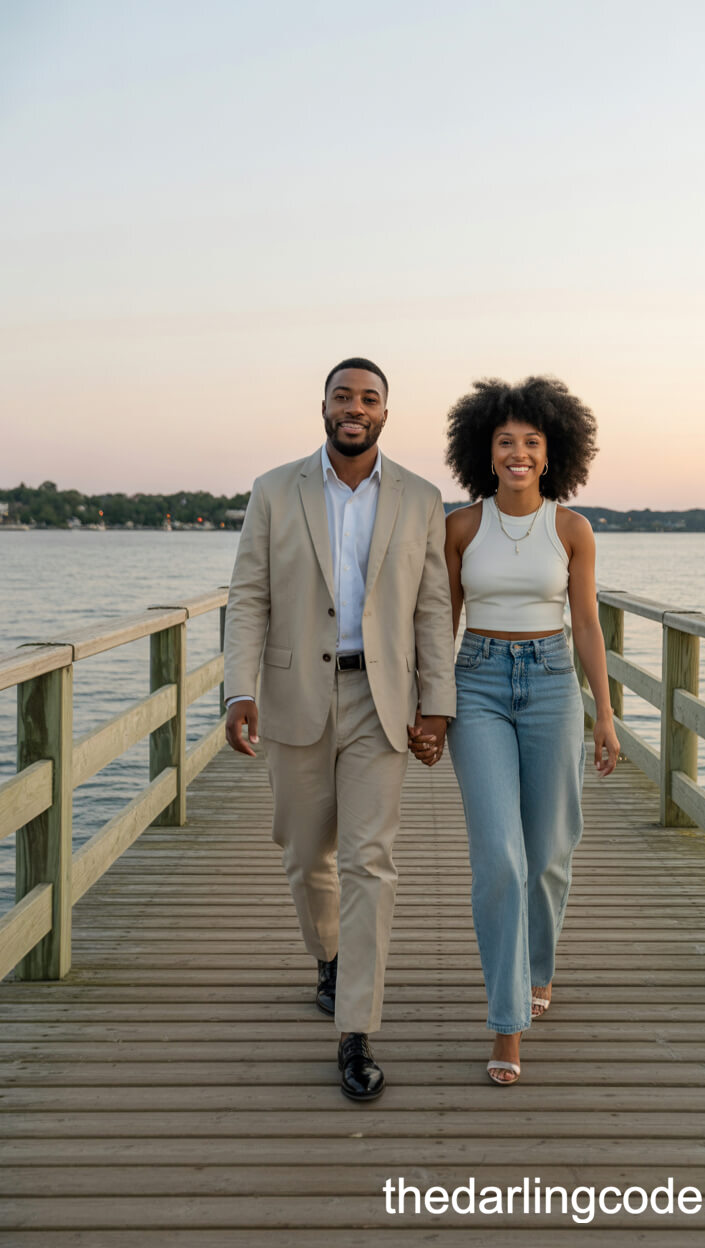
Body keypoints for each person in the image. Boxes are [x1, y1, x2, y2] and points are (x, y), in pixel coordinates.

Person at [223, 358, 455, 1101]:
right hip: (295, 694)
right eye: (343, 397)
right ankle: (326, 957)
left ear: (386, 412)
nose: (355, 408)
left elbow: (431, 607)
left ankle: (356, 1028)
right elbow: (249, 596)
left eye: (370, 399)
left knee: (369, 861)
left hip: (379, 698)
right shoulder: (273, 490)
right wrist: (237, 690)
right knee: (302, 851)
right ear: (323, 406)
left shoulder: (421, 497)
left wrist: (436, 704)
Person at [411, 375, 619, 1085]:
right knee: (501, 857)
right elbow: (440, 623)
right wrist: (431, 707)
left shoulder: (572, 529)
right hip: (479, 684)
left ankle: (536, 968)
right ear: (485, 451)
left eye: (532, 442)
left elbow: (587, 624)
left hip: (555, 684)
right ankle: (507, 1024)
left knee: (552, 850)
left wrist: (606, 715)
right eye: (506, 442)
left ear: (552, 451)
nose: (519, 453)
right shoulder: (461, 527)